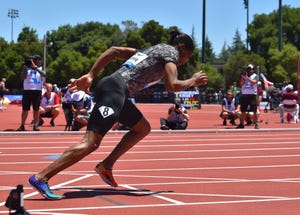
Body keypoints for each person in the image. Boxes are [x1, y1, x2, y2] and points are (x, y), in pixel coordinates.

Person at [27, 30, 208, 200]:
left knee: (142, 128)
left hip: (116, 91)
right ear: (182, 48)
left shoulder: (150, 50)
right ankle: (41, 177)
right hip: (115, 91)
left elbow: (114, 51)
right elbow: (172, 85)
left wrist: (91, 74)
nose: (183, 61)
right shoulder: (171, 53)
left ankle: (106, 165)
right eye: (187, 57)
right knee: (90, 142)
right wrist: (192, 81)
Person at [17, 55, 46, 131]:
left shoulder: (40, 69)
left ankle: (35, 125)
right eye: (33, 60)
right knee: (25, 109)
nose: (33, 62)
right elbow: (22, 77)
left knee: (36, 109)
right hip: (27, 91)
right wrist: (25, 67)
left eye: (36, 60)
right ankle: (22, 125)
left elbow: (44, 74)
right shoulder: (27, 68)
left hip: (37, 91)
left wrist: (35, 67)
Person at [236, 64, 259, 129]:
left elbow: (253, 82)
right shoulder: (243, 76)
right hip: (244, 94)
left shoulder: (255, 76)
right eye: (248, 69)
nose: (249, 70)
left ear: (253, 70)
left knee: (254, 110)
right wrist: (243, 77)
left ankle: (256, 124)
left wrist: (247, 78)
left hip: (252, 94)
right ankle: (242, 124)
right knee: (243, 110)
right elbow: (241, 84)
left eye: (250, 69)